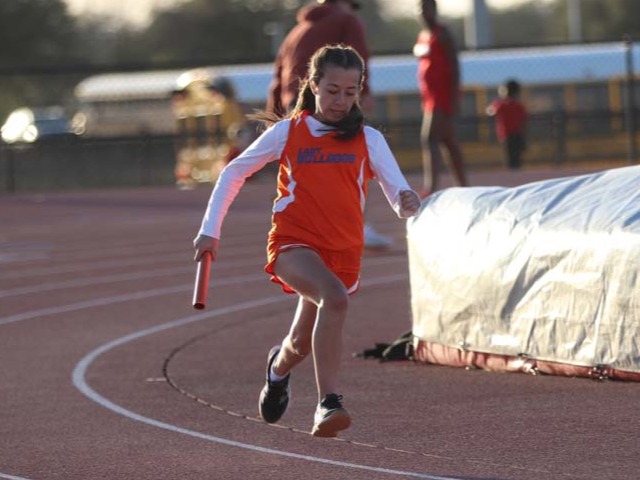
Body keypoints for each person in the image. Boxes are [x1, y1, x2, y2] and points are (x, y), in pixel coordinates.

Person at [193, 45, 421, 438]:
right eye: (332, 90)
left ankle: (277, 370)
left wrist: (408, 201)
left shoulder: (368, 139)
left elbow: (399, 198)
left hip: (342, 251)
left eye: (350, 92)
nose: (340, 100)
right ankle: (328, 402)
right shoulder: (289, 132)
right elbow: (233, 172)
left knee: (300, 342)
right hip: (293, 243)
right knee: (335, 298)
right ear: (313, 85)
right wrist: (210, 230)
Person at [266, 0, 391, 250]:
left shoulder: (296, 32)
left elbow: (278, 75)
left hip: (294, 109)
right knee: (354, 161)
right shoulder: (347, 21)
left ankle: (305, 231)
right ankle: (356, 226)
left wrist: (274, 115)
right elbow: (358, 58)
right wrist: (363, 92)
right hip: (330, 105)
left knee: (308, 172)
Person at [413, 0, 468, 198]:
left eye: (426, 8)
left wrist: (454, 98)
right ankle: (463, 185)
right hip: (429, 97)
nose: (422, 13)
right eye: (420, 9)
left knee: (429, 137)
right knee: (448, 141)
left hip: (442, 96)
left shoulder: (443, 34)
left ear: (434, 10)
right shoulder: (422, 36)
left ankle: (431, 187)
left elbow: (454, 67)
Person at [486, 79, 528, 170]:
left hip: (506, 136)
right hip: (518, 135)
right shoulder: (519, 105)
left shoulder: (500, 104)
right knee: (517, 159)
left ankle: (512, 172)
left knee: (509, 159)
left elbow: (490, 111)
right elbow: (524, 121)